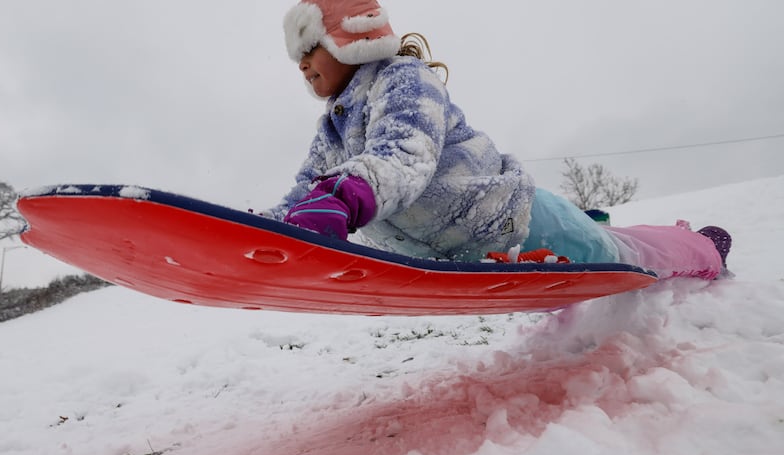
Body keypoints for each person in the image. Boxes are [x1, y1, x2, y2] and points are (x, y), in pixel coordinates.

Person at [265, 0, 731, 280]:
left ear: (352, 39)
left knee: (631, 259)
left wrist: (342, 199)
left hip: (514, 223)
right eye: (296, 57)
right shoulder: (333, 126)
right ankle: (599, 225)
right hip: (460, 247)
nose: (302, 64)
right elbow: (308, 187)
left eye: (311, 48)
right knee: (605, 249)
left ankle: (704, 247)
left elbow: (405, 152)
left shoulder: (403, 80)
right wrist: (268, 226)